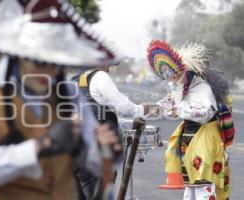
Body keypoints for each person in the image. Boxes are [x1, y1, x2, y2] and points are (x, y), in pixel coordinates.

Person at [0, 0, 122, 200]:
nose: (49, 71)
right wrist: (42, 146)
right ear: (17, 53)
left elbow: (94, 159)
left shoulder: (69, 94)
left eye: (56, 63)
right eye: (40, 61)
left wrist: (105, 150)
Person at [147, 40, 234, 200]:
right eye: (170, 78)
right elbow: (166, 104)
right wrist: (143, 110)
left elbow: (205, 113)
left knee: (203, 187)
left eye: (174, 77)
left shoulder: (202, 88)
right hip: (190, 141)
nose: (172, 81)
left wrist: (179, 108)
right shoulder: (180, 86)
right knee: (190, 189)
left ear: (183, 71)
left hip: (205, 140)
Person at [74, 65, 149, 199]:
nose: (109, 68)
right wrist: (141, 109)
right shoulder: (99, 77)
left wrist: (126, 124)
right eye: (108, 63)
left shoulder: (74, 79)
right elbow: (124, 107)